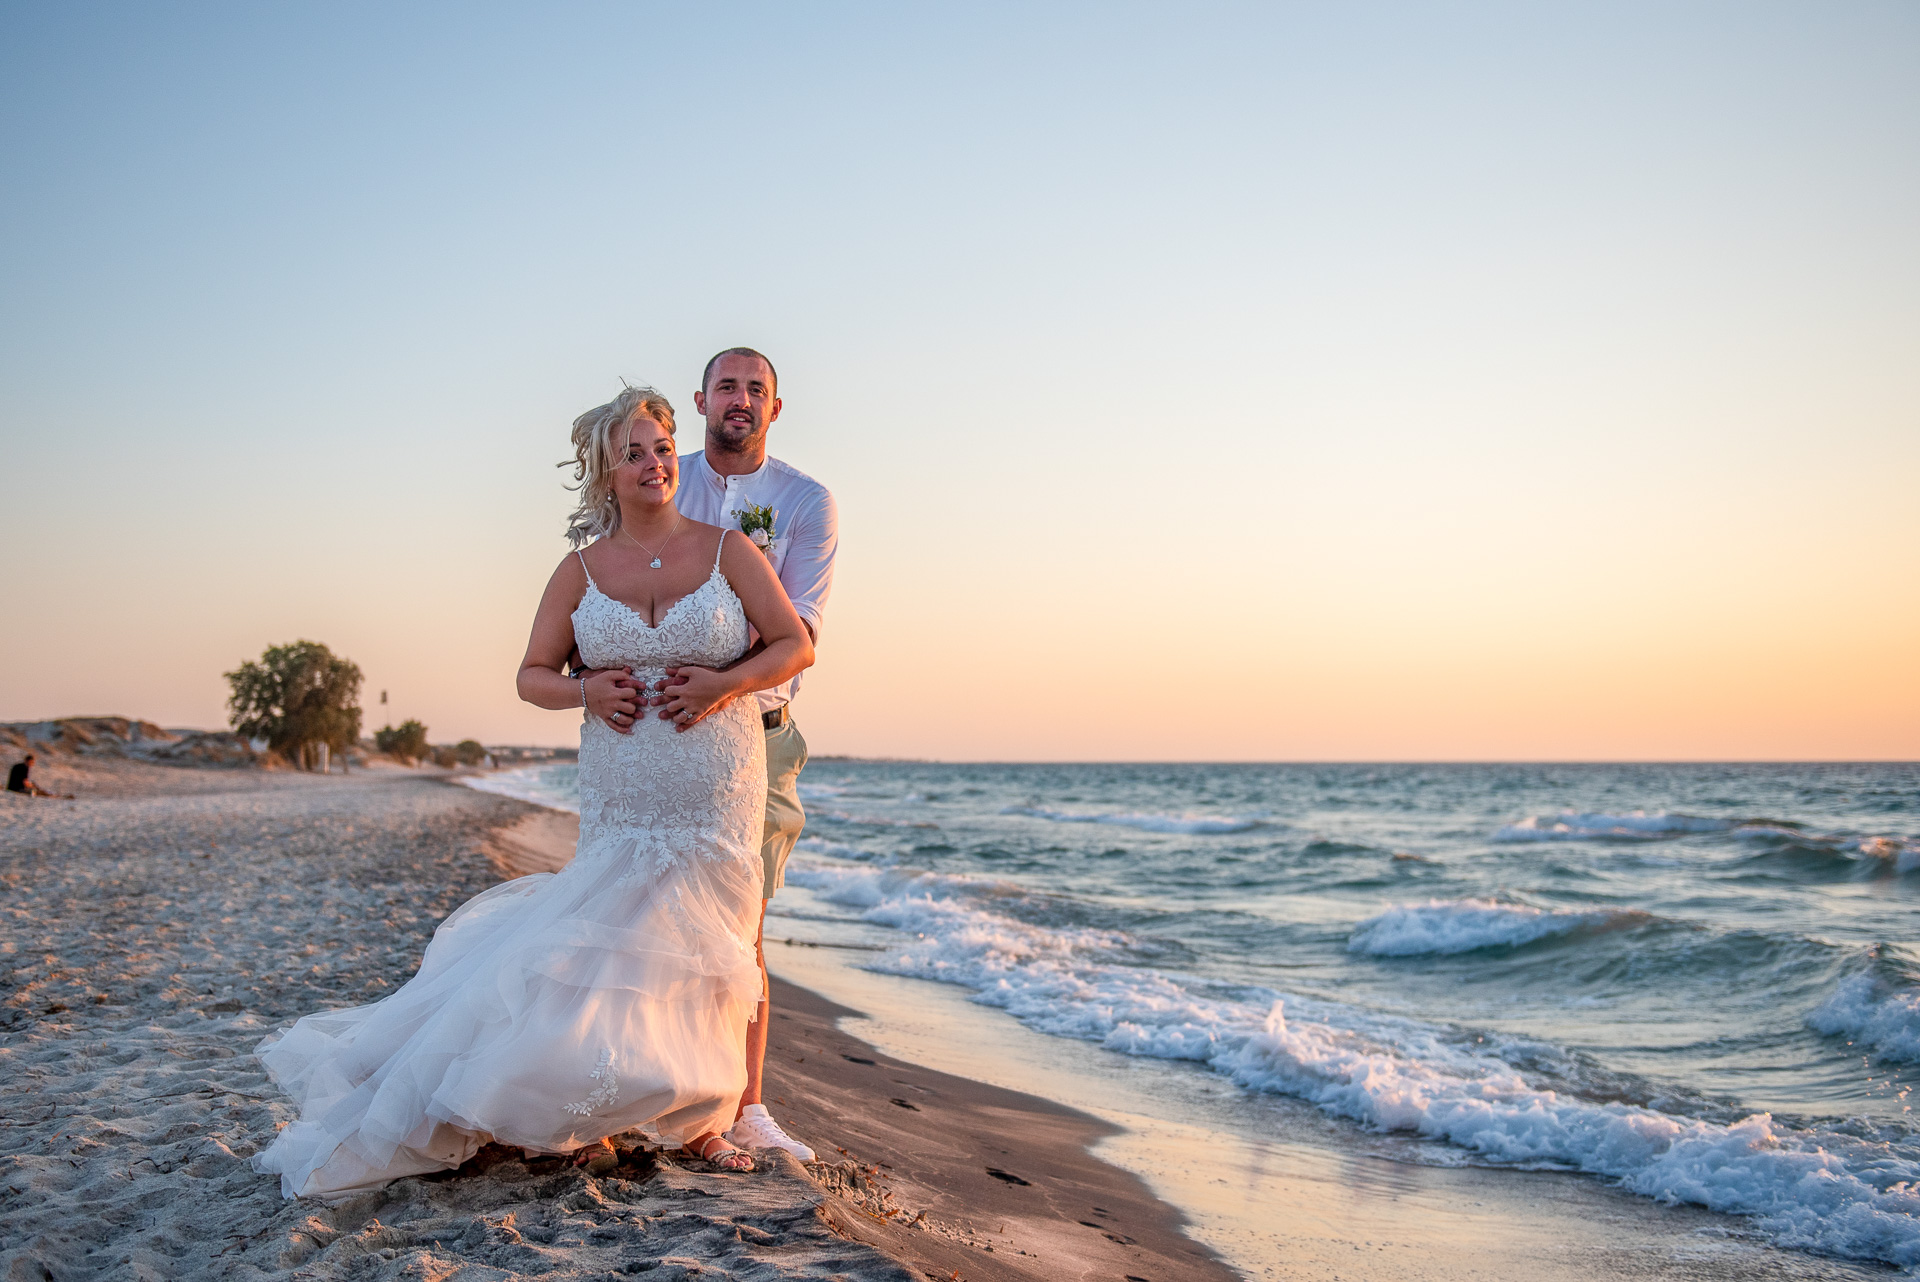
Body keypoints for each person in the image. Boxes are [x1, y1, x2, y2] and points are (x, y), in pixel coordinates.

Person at [250, 385, 813, 1198]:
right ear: (606, 473)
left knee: (710, 940)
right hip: (624, 781)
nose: (655, 465)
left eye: (661, 448)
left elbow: (795, 644)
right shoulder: (579, 570)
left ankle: (706, 1120)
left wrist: (725, 686)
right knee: (612, 936)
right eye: (634, 453)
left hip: (713, 774)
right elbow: (532, 676)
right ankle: (597, 1110)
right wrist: (586, 694)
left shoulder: (731, 552)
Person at [654, 347, 836, 1162]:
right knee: (650, 909)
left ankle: (749, 1103)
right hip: (660, 728)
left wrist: (715, 678)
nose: (741, 400)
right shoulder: (662, 479)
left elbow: (798, 635)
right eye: (727, 386)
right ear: (700, 399)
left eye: (755, 390)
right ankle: (656, 1085)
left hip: (759, 734)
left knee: (744, 917)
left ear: (775, 407)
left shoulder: (804, 501)